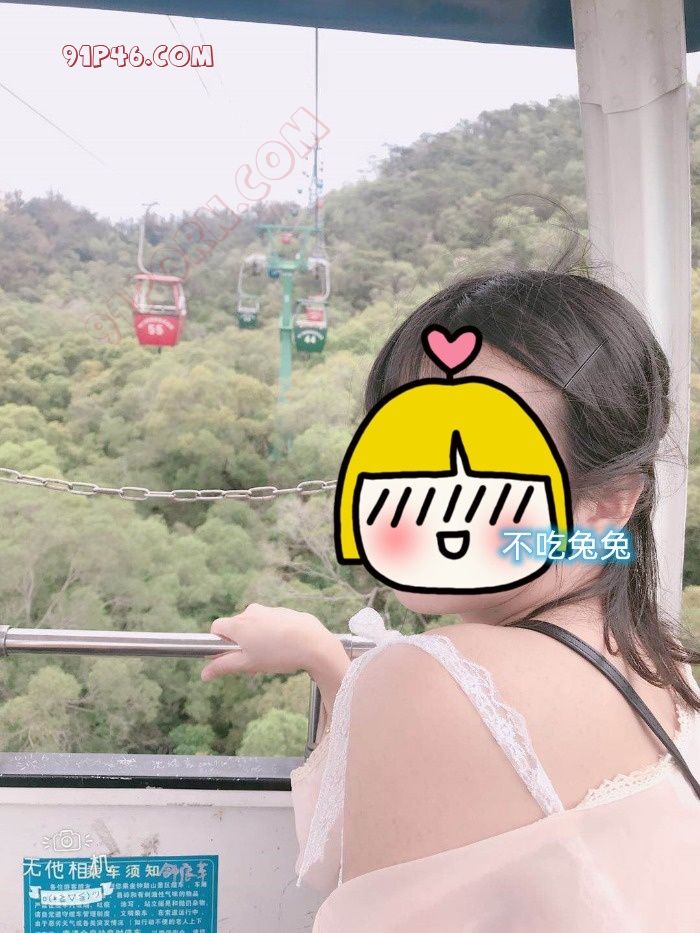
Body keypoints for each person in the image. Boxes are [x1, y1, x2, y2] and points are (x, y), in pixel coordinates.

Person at [201, 268, 700, 931]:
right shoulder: (667, 667)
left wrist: (377, 677)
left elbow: (347, 871)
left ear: (609, 501)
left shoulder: (436, 681)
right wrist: (327, 661)